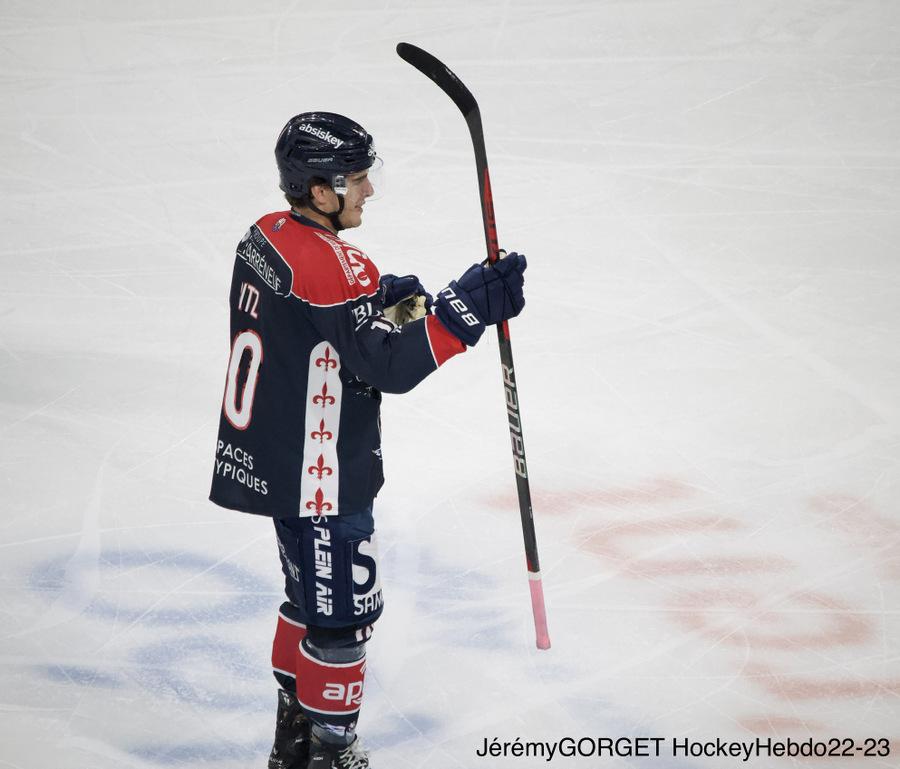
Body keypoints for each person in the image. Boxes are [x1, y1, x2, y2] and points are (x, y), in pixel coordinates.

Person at [209, 111, 527, 769]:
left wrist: (405, 304)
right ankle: (329, 755)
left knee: (307, 600)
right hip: (323, 473)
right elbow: (385, 363)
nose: (369, 191)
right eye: (357, 179)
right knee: (341, 621)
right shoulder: (338, 265)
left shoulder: (262, 238)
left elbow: (325, 329)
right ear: (321, 190)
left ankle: (291, 746)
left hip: (274, 458)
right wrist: (465, 313)